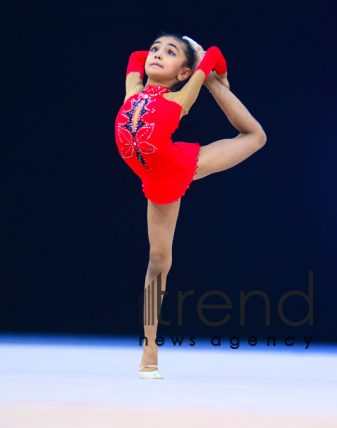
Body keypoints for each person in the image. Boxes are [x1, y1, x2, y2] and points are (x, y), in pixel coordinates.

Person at [114, 32, 267, 378]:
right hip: (154, 178)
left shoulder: (181, 98)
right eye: (156, 49)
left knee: (256, 137)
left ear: (184, 72)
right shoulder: (133, 91)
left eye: (168, 53)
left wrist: (210, 75)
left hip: (176, 166)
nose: (155, 54)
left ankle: (216, 86)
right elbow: (136, 54)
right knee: (158, 261)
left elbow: (212, 53)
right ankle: (149, 353)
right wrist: (181, 53)